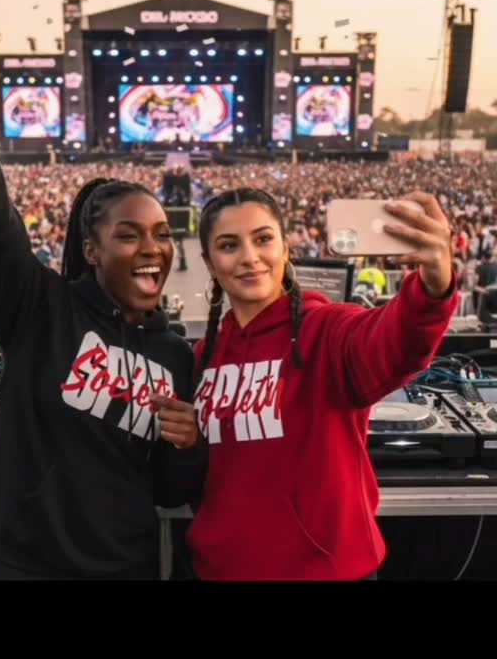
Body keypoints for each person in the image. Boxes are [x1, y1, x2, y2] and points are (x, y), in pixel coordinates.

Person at [0, 0, 204, 581]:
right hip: (17, 564)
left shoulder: (176, 355)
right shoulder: (39, 311)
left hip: (121, 567)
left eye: (160, 234)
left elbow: (166, 489)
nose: (152, 249)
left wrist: (187, 446)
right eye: (129, 236)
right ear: (90, 250)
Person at [188, 186, 458, 581]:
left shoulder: (327, 330)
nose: (249, 257)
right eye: (229, 245)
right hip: (222, 570)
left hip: (326, 571)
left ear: (285, 247)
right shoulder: (203, 357)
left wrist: (433, 287)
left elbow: (397, 343)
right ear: (210, 263)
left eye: (263, 239)